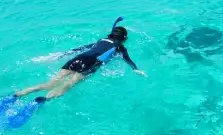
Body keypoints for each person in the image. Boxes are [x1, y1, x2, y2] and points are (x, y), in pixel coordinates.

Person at [15, 26, 146, 103]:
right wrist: (136, 69)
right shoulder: (119, 47)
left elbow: (83, 48)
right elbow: (127, 60)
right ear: (123, 38)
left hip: (77, 59)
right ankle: (46, 99)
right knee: (69, 84)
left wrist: (64, 54)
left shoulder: (101, 40)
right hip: (90, 63)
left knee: (50, 83)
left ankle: (20, 94)